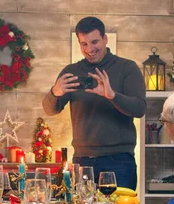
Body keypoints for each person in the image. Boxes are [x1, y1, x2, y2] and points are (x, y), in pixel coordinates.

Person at [42, 16, 146, 190]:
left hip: (119, 160)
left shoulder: (127, 68)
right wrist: (55, 92)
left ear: (105, 39)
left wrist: (111, 95)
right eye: (84, 44)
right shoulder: (72, 71)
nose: (90, 49)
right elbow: (49, 109)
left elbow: (139, 108)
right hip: (82, 160)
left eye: (95, 41)